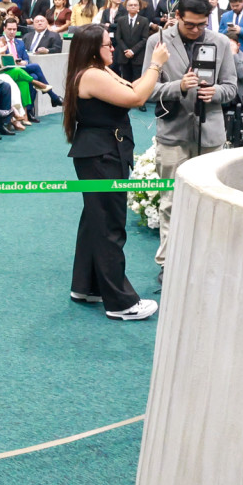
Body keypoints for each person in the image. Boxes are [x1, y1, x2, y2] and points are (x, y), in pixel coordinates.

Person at [64, 24, 166, 321]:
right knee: (109, 226)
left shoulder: (99, 70)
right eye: (108, 44)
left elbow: (133, 89)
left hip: (103, 152)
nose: (113, 48)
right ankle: (120, 302)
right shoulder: (92, 74)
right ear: (93, 49)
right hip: (101, 155)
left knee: (95, 222)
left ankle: (86, 286)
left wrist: (152, 67)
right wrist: (156, 64)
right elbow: (136, 99)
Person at [144, 0, 237, 261]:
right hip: (173, 134)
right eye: (190, 25)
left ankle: (207, 260)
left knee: (211, 202)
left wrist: (216, 92)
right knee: (171, 202)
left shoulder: (220, 42)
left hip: (210, 134)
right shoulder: (157, 42)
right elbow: (147, 89)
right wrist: (179, 86)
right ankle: (168, 262)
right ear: (177, 17)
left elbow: (231, 87)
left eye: (201, 24)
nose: (196, 30)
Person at [111, 0, 152, 83]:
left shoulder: (144, 21)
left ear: (138, 8)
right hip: (124, 56)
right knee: (125, 81)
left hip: (138, 57)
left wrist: (133, 51)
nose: (133, 7)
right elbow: (118, 37)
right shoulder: (121, 20)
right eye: (130, 5)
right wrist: (126, 50)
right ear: (127, 7)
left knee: (137, 81)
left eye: (135, 5)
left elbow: (144, 39)